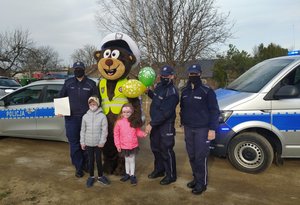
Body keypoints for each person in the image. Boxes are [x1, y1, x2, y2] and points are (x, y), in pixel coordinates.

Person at [180, 64, 220, 195]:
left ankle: (201, 183)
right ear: (188, 75)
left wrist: (212, 129)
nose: (193, 76)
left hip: (202, 129)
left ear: (200, 74)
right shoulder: (185, 91)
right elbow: (183, 109)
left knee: (200, 157)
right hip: (188, 128)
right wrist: (182, 122)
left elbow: (214, 111)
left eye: (195, 74)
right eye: (191, 74)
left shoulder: (207, 91)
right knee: (191, 155)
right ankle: (196, 178)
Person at [59, 61, 98, 178]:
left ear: (84, 69)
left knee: (86, 143)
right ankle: (78, 167)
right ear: (73, 70)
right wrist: (60, 110)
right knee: (74, 143)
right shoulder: (68, 83)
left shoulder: (91, 84)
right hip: (71, 119)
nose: (77, 70)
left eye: (80, 68)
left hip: (87, 118)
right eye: (76, 69)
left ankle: (87, 164)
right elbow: (61, 97)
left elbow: (96, 100)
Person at [145, 65, 179, 185]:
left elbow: (166, 112)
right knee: (156, 148)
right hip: (156, 124)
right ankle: (159, 170)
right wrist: (148, 92)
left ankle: (171, 175)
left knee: (166, 149)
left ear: (172, 76)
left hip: (165, 125)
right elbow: (156, 98)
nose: (164, 77)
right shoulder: (159, 86)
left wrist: (151, 124)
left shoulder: (173, 92)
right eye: (162, 75)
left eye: (167, 76)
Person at [114, 103, 147, 186]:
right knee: (127, 160)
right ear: (121, 112)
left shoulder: (134, 122)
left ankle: (132, 175)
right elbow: (116, 134)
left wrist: (143, 134)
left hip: (133, 145)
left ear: (132, 112)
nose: (126, 114)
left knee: (131, 160)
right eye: (124, 112)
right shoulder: (119, 123)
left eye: (128, 112)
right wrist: (118, 145)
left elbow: (138, 132)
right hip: (124, 146)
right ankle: (127, 174)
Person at [80, 96, 110, 187]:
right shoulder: (85, 116)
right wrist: (82, 142)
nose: (92, 105)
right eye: (91, 104)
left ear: (98, 104)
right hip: (88, 142)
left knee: (98, 160)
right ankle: (91, 177)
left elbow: (105, 130)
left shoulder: (102, 116)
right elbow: (83, 130)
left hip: (98, 144)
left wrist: (102, 142)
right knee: (91, 160)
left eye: (94, 104)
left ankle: (100, 176)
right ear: (88, 105)